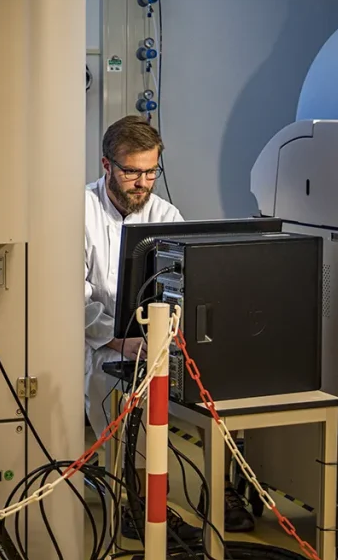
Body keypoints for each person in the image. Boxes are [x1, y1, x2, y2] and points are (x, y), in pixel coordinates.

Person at [84, 116, 254, 538]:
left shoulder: (165, 215)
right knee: (110, 388)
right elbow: (72, 294)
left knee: (223, 377)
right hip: (97, 340)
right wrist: (116, 339)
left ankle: (220, 487)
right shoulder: (79, 211)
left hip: (156, 338)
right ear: (107, 166)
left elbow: (186, 281)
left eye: (150, 172)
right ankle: (134, 498)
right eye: (131, 172)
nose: (141, 183)